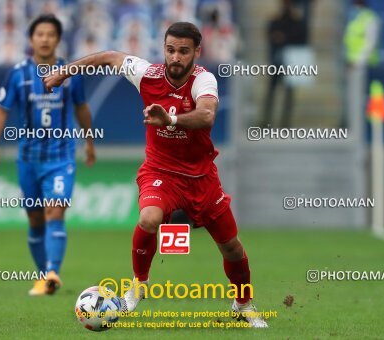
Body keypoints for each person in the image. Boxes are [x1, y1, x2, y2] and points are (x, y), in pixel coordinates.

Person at [44, 21, 267, 328]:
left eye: (184, 52)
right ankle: (138, 285)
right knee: (149, 219)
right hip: (160, 170)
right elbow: (109, 57)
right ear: (164, 49)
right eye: (171, 50)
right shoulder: (147, 74)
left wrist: (170, 118)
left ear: (197, 52)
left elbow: (207, 114)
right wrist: (63, 71)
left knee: (231, 246)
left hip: (201, 178)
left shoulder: (204, 80)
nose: (176, 58)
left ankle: (243, 304)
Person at [0, 14, 96, 296]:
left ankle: (53, 272)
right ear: (31, 39)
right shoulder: (18, 74)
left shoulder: (70, 74)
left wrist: (89, 141)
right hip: (29, 159)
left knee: (55, 210)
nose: (45, 39)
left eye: (51, 34)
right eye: (40, 34)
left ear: (58, 39)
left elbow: (81, 108)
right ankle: (44, 276)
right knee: (35, 219)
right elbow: (1, 111)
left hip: (61, 156)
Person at [261, 0, 306, 128]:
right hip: (277, 61)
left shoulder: (296, 22)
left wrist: (283, 37)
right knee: (272, 92)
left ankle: (285, 123)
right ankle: (267, 121)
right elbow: (271, 35)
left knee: (288, 94)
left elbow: (301, 38)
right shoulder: (277, 21)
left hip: (290, 62)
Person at [342, 0, 381, 130]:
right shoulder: (354, 21)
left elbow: (370, 43)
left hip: (365, 66)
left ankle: (368, 133)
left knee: (365, 101)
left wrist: (358, 62)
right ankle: (355, 128)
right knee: (354, 101)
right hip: (352, 66)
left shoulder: (370, 19)